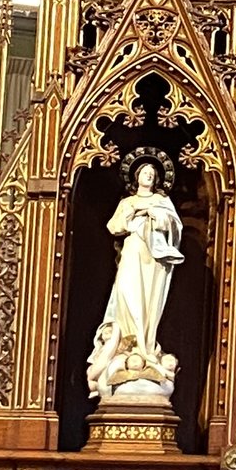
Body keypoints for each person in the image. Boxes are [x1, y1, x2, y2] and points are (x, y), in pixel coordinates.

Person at [87, 159, 186, 404]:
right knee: (128, 297)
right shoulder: (127, 202)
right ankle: (129, 347)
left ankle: (146, 349)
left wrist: (156, 215)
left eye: (153, 173)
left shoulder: (162, 202)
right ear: (136, 176)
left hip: (155, 261)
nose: (149, 176)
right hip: (132, 254)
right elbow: (114, 226)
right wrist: (133, 213)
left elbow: (175, 227)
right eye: (145, 172)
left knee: (149, 303)